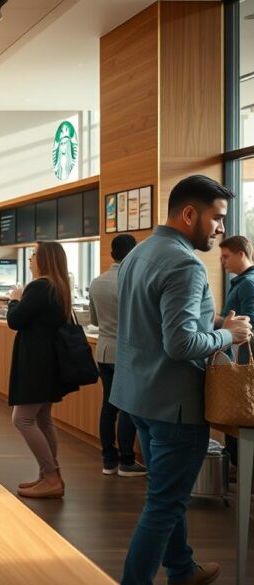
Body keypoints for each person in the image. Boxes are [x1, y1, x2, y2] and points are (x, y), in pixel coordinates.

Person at [113, 175, 250, 585]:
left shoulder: (138, 254)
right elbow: (180, 343)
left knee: (164, 496)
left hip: (137, 397)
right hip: (175, 405)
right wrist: (230, 334)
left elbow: (157, 323)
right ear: (189, 214)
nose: (222, 228)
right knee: (166, 504)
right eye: (217, 218)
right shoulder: (186, 264)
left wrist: (212, 321)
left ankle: (182, 568)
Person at [6, 241, 77, 499]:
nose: (30, 258)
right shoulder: (58, 287)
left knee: (22, 419)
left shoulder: (39, 286)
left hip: (35, 363)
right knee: (43, 419)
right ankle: (47, 475)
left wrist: (14, 300)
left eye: (34, 254)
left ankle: (51, 475)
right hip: (49, 363)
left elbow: (15, 320)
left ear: (44, 259)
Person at [88, 234, 145, 478]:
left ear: (112, 254)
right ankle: (126, 461)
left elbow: (94, 321)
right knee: (128, 407)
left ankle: (108, 461)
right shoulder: (132, 280)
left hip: (103, 351)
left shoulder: (97, 281)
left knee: (108, 407)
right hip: (127, 352)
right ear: (134, 253)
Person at [219, 234, 254, 473]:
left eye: (226, 256)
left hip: (243, 366)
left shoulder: (249, 284)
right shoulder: (241, 283)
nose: (222, 262)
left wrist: (219, 323)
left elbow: (250, 326)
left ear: (241, 253)